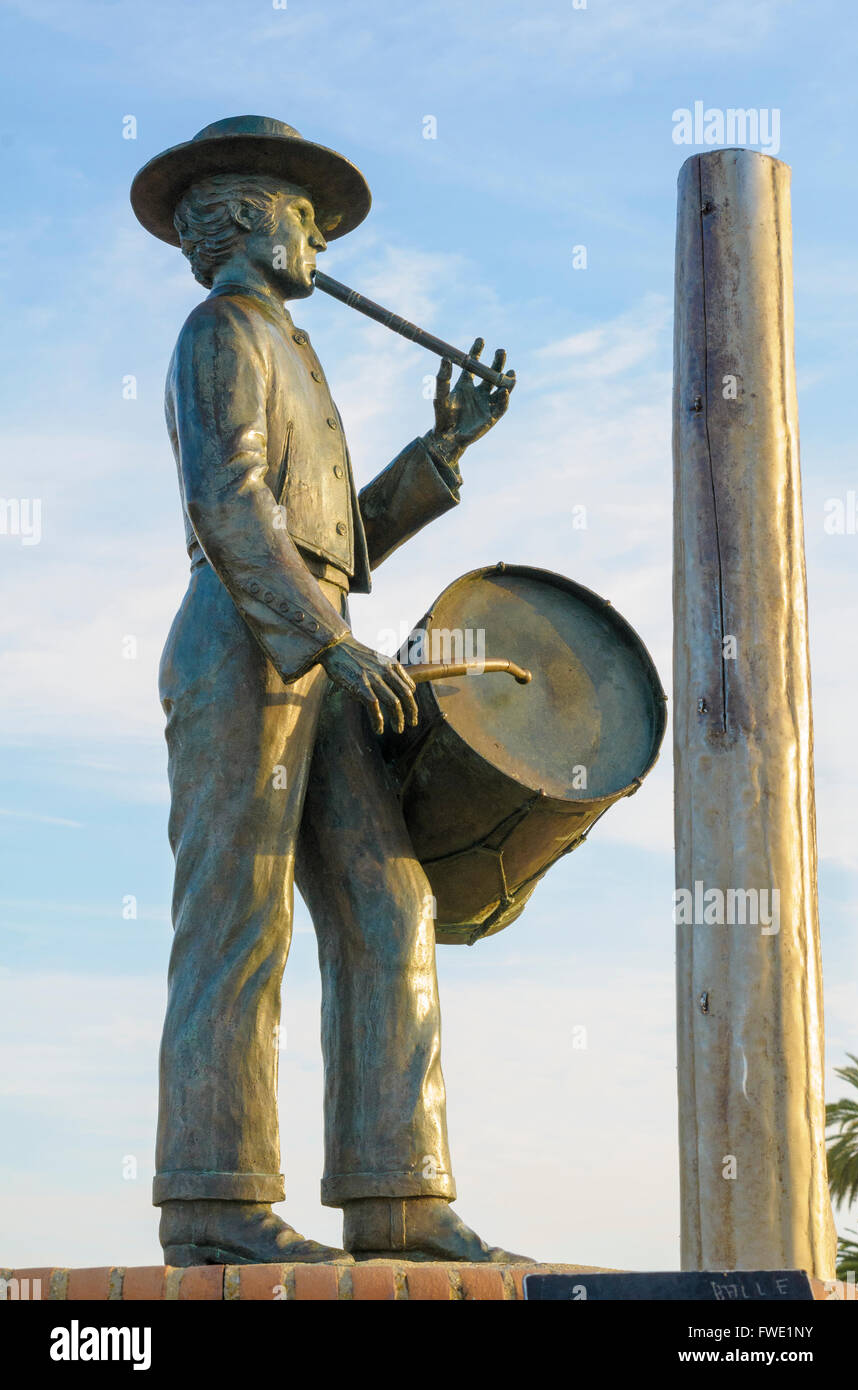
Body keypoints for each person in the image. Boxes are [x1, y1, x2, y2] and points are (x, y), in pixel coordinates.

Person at [130, 115, 528, 1265]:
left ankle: (398, 1193)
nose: (317, 240)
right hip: (247, 641)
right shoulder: (221, 334)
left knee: (386, 902)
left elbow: (336, 541)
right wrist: (324, 639)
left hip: (315, 634)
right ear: (250, 220)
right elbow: (232, 506)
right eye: (304, 219)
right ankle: (213, 1206)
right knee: (237, 917)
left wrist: (440, 450)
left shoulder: (289, 346)